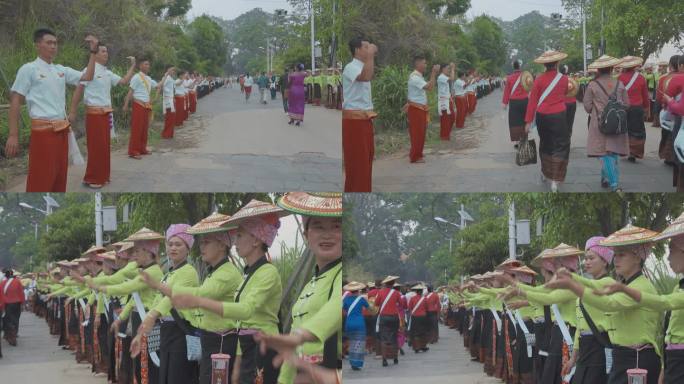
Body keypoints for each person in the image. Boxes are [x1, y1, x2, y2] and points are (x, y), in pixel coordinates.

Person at [171, 200, 287, 384]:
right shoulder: (248, 273)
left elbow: (246, 310)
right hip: (247, 347)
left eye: (239, 236)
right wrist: (239, 363)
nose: (235, 243)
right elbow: (241, 324)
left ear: (256, 240)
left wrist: (200, 301)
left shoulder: (268, 272)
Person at [545, 225, 662, 384]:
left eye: (622, 255)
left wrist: (573, 285)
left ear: (637, 258)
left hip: (636, 359)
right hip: (621, 357)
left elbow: (609, 304)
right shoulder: (625, 285)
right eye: (616, 255)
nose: (616, 259)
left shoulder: (641, 286)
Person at [251, 192, 342, 384]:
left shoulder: (341, 274)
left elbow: (336, 306)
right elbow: (292, 353)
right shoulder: (311, 284)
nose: (327, 234)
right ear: (305, 234)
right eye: (318, 226)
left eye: (336, 226)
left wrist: (301, 336)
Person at [6, 29, 100, 192]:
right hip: (43, 132)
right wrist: (13, 135)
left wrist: (93, 52)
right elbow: (15, 101)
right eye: (49, 43)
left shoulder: (60, 70)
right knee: (41, 177)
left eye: (55, 43)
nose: (53, 46)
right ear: (38, 45)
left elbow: (88, 77)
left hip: (62, 130)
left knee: (59, 176)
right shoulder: (29, 69)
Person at [172, 213, 243, 384]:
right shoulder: (215, 271)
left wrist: (163, 288)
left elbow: (201, 295)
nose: (201, 246)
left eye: (206, 242)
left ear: (221, 245)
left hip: (222, 341)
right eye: (201, 242)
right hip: (211, 340)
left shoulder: (226, 273)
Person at [94, 228, 165, 384]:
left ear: (149, 252)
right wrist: (121, 318)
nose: (134, 255)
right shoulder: (143, 270)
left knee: (147, 364)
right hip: (139, 318)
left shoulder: (152, 272)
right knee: (139, 363)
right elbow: (134, 299)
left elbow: (126, 287)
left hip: (148, 320)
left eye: (138, 251)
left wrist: (100, 287)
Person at [132, 224, 200, 384]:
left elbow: (170, 298)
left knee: (179, 378)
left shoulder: (189, 271)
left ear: (188, 248)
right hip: (167, 331)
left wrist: (153, 315)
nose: (173, 248)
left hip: (181, 332)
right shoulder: (168, 274)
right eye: (170, 244)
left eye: (178, 244)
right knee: (165, 378)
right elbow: (157, 302)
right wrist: (139, 334)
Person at [68, 47, 136, 188]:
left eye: (106, 51)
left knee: (104, 147)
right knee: (96, 147)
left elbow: (124, 81)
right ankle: (93, 178)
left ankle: (103, 176)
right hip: (94, 114)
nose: (106, 53)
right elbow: (78, 91)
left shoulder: (107, 72)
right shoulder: (88, 71)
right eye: (103, 51)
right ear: (95, 54)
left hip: (106, 114)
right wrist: (73, 111)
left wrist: (133, 66)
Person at [524, 50, 570, 193]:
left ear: (544, 64)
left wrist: (528, 122)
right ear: (557, 63)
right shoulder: (563, 79)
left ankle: (545, 173)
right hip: (559, 115)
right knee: (561, 145)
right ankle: (555, 179)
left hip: (542, 115)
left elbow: (532, 101)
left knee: (545, 143)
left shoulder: (538, 79)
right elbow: (565, 93)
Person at [583, 55, 630, 192]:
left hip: (599, 123)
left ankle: (614, 184)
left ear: (598, 70)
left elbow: (587, 106)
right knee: (613, 151)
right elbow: (627, 104)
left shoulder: (592, 85)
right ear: (611, 69)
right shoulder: (620, 84)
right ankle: (605, 177)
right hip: (617, 123)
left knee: (604, 153)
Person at [342, 37, 377, 192]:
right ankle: (357, 190)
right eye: (365, 47)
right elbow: (365, 77)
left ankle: (363, 189)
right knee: (358, 161)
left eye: (369, 47)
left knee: (367, 158)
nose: (368, 49)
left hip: (364, 119)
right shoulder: (351, 67)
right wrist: (371, 55)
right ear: (357, 50)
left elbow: (367, 74)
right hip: (354, 121)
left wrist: (369, 57)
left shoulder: (362, 66)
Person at [122, 59, 171, 159]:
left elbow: (158, 85)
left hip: (146, 106)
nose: (148, 66)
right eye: (146, 64)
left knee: (144, 128)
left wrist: (166, 75)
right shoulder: (136, 77)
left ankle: (142, 148)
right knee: (137, 128)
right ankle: (133, 151)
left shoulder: (148, 78)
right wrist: (125, 105)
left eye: (149, 64)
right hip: (138, 105)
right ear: (140, 66)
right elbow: (130, 92)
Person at [407, 56, 439, 164]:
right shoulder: (415, 77)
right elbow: (429, 87)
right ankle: (415, 156)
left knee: (421, 132)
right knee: (417, 133)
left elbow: (431, 87)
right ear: (418, 64)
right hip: (416, 109)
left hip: (420, 108)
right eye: (424, 63)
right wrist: (433, 73)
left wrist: (433, 75)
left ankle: (418, 153)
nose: (426, 65)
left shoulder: (419, 76)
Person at [618, 56, 650, 162]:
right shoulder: (641, 78)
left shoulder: (620, 77)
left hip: (623, 107)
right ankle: (634, 153)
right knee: (636, 130)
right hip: (637, 107)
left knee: (624, 129)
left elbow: (617, 94)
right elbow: (645, 95)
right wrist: (647, 109)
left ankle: (624, 150)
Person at [343, 282, 373, 371]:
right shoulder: (361, 299)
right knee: (359, 344)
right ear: (358, 290)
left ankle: (352, 362)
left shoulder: (346, 299)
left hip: (349, 323)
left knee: (352, 343)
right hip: (359, 323)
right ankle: (356, 363)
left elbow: (344, 310)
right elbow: (369, 309)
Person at [502, 59, 530, 146]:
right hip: (525, 101)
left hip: (514, 103)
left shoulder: (509, 78)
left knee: (515, 122)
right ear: (520, 66)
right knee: (525, 121)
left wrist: (504, 103)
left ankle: (518, 141)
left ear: (513, 67)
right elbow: (530, 88)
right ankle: (524, 139)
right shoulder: (525, 76)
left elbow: (507, 91)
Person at [1, 268, 25, 346]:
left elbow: (1, 295)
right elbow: (21, 293)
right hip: (17, 303)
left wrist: (2, 306)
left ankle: (10, 336)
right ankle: (14, 334)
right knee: (16, 319)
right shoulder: (18, 282)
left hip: (7, 304)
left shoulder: (2, 283)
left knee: (8, 320)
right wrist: (23, 303)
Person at [437, 63, 456, 141]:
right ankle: (444, 136)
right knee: (445, 119)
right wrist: (453, 69)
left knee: (452, 117)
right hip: (443, 101)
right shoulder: (441, 77)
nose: (449, 70)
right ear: (443, 69)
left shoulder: (444, 77)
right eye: (448, 68)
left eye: (449, 68)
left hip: (448, 100)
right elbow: (452, 78)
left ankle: (446, 134)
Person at [560, 65, 577, 135]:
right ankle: (568, 135)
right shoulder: (572, 79)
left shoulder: (559, 80)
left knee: (562, 122)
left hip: (563, 103)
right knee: (570, 121)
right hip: (572, 103)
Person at [160, 67, 177, 139]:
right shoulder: (166, 77)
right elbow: (162, 86)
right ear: (168, 70)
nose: (173, 71)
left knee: (171, 118)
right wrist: (169, 95)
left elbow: (171, 89)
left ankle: (169, 133)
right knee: (169, 117)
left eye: (174, 70)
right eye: (172, 69)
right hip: (168, 100)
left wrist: (172, 96)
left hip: (171, 99)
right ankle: (166, 134)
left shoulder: (171, 78)